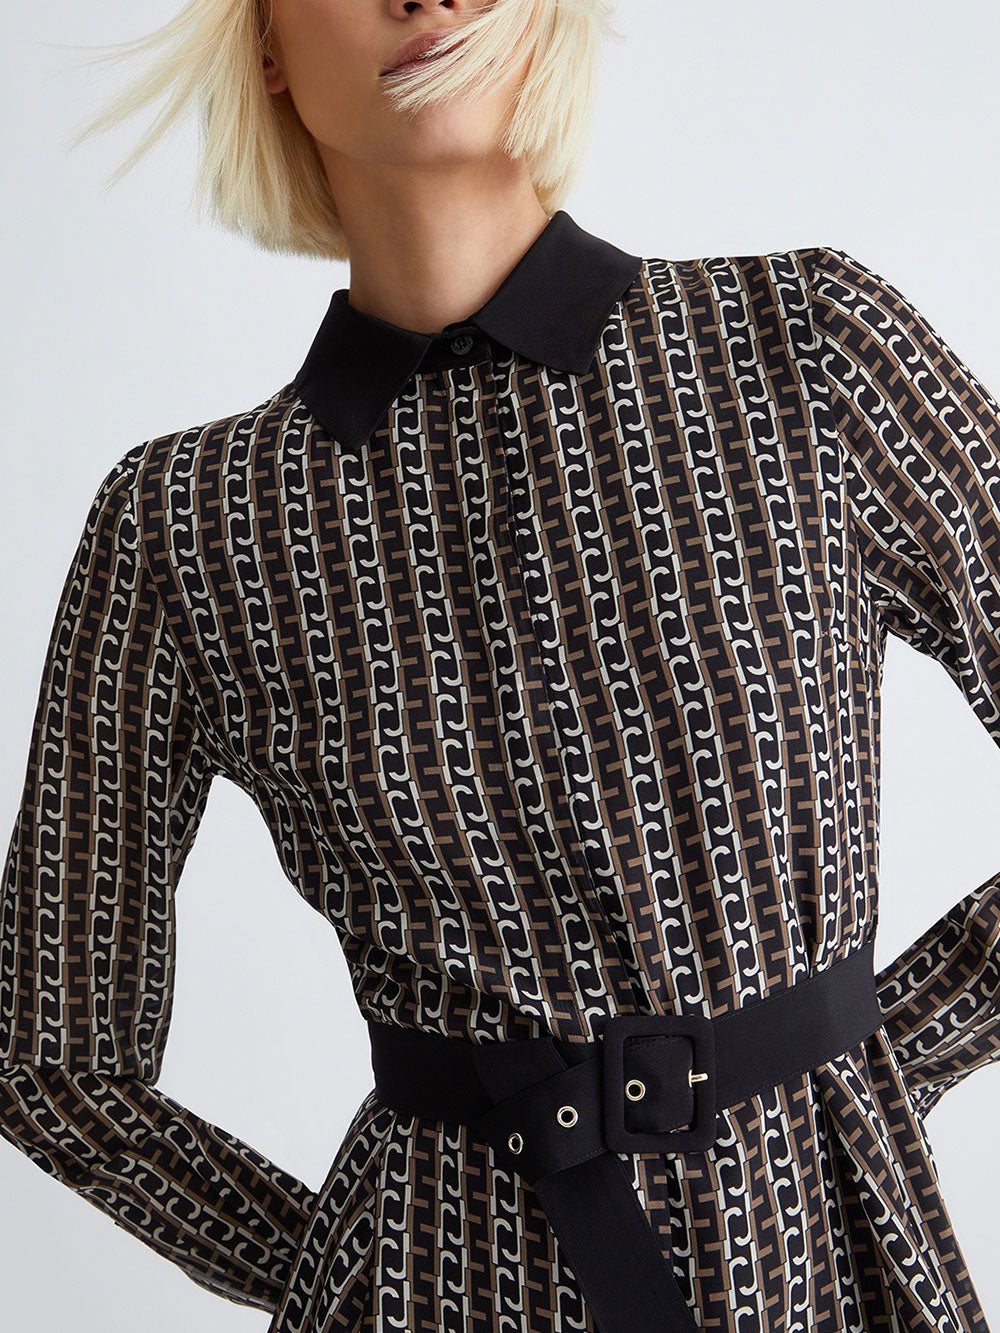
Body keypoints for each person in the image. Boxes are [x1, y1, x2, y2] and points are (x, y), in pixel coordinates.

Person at [2, 1, 998, 1330]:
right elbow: (51, 1056)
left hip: (822, 1272)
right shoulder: (188, 525)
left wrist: (856, 1060)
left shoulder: (804, 348)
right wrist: (349, 1263)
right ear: (267, 47)